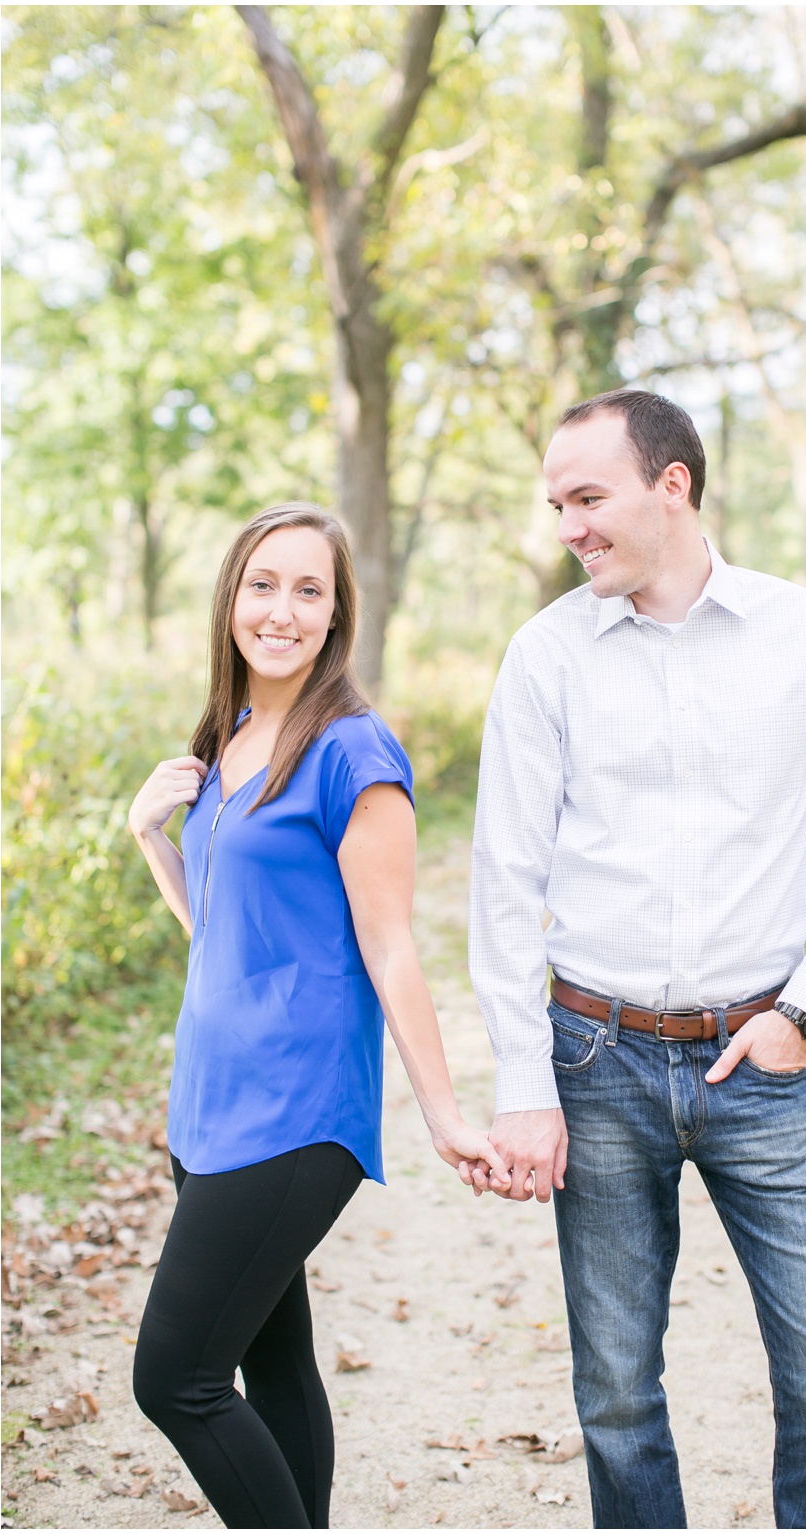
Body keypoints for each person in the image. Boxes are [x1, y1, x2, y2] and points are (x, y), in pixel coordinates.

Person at [467, 388, 806, 1528]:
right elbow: (504, 883)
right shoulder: (545, 656)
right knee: (616, 1392)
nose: (567, 524)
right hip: (595, 1057)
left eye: (587, 496)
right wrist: (523, 1086)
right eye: (556, 502)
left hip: (758, 1061)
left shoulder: (803, 632)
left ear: (673, 485)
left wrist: (802, 1013)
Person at [125, 502, 505, 1529]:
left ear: (337, 614)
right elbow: (225, 924)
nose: (281, 610)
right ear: (230, 598)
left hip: (294, 1112)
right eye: (262, 583)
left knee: (175, 1380)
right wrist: (150, 834)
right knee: (272, 1358)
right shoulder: (232, 734)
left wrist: (442, 1115)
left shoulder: (351, 750)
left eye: (308, 589)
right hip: (209, 1101)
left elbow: (389, 943)